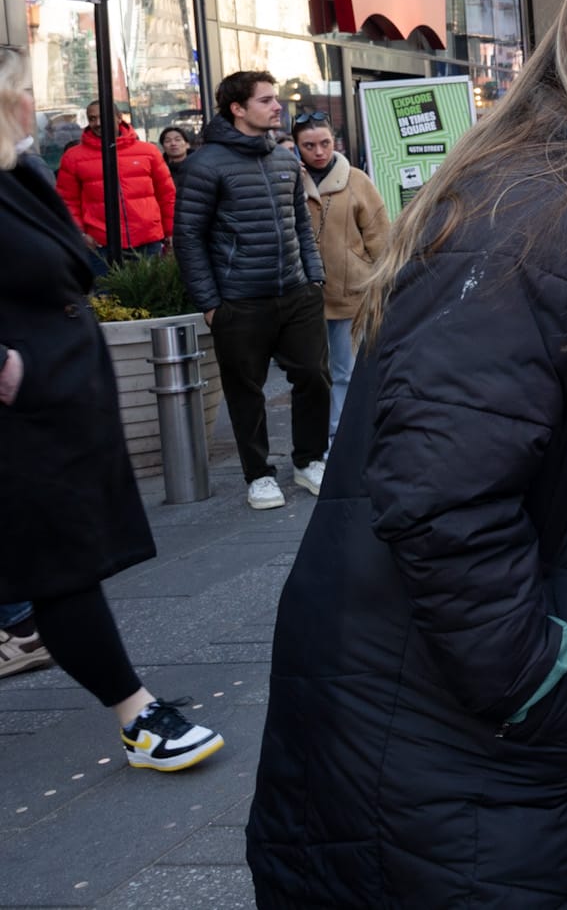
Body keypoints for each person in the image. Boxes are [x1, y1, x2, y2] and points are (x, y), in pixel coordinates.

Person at [246, 0, 567, 909]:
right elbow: (440, 489)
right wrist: (534, 677)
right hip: (442, 729)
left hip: (430, 723)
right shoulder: (539, 213)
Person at [0, 45, 225, 771]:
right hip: (22, 418)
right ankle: (137, 716)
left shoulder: (19, 170)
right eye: (24, 92)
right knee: (61, 569)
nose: (36, 104)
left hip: (55, 403)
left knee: (57, 563)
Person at [173, 71, 330, 510]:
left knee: (314, 377)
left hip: (297, 292)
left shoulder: (284, 159)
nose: (277, 106)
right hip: (238, 300)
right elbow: (188, 238)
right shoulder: (204, 165)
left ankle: (309, 460)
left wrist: (314, 277)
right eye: (266, 100)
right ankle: (259, 474)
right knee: (246, 391)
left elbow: (301, 224)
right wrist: (210, 304)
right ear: (238, 109)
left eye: (275, 98)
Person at [293, 112, 390, 443]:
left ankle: (340, 438)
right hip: (302, 295)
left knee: (345, 371)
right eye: (309, 145)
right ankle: (314, 440)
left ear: (335, 141)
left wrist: (384, 281)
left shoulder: (356, 180)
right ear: (297, 146)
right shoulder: (289, 180)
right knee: (310, 372)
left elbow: (379, 234)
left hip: (350, 291)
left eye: (325, 143)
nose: (319, 151)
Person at [56, 100, 177, 266]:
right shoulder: (73, 157)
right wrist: (80, 234)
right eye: (92, 119)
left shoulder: (148, 152)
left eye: (102, 117)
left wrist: (171, 230)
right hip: (100, 245)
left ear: (119, 118)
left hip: (147, 241)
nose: (97, 123)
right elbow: (67, 201)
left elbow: (167, 194)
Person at [157, 127, 193, 192]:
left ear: (187, 144)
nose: (173, 144)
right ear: (163, 147)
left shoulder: (199, 166)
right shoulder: (158, 170)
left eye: (178, 140)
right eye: (168, 141)